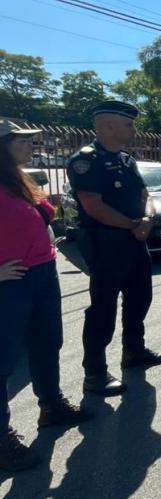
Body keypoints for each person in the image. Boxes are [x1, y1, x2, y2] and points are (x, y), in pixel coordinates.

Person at [0, 120, 93, 471]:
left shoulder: (21, 180)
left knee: (46, 342)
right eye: (20, 142)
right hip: (11, 282)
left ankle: (51, 406)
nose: (30, 146)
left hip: (42, 273)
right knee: (3, 361)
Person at [67, 101, 161, 396]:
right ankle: (95, 373)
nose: (133, 129)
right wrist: (132, 225)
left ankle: (134, 351)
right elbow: (92, 205)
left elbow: (145, 194)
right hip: (107, 243)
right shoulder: (85, 160)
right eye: (128, 124)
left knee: (140, 298)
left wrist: (147, 218)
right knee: (103, 308)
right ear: (107, 125)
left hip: (135, 239)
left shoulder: (126, 160)